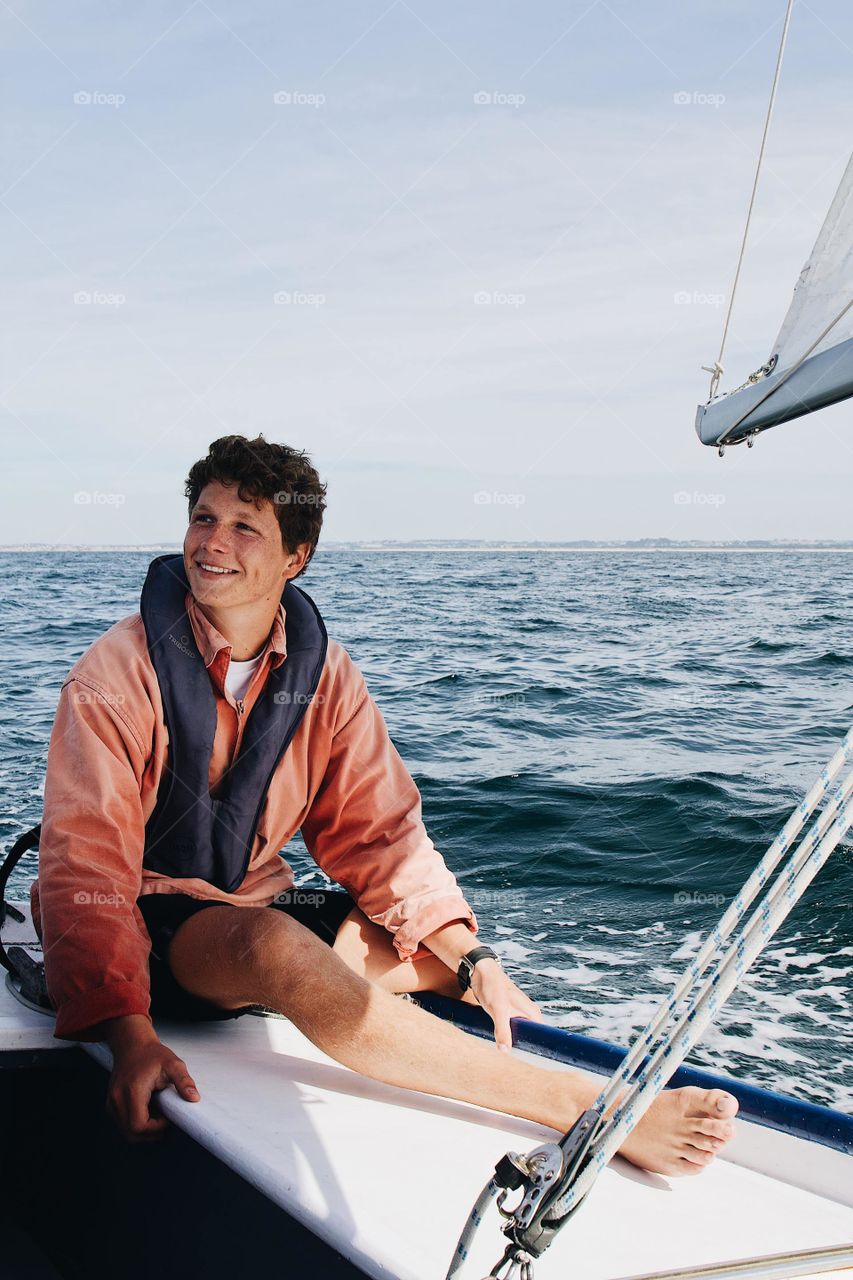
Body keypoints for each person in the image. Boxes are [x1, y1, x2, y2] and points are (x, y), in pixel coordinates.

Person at [31, 434, 737, 1172]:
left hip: (248, 908)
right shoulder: (114, 674)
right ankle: (587, 1111)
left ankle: (518, 1048)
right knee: (275, 948)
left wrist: (474, 960)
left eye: (245, 527)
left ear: (294, 557)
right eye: (203, 519)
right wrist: (126, 1034)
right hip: (151, 926)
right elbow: (87, 865)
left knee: (434, 956)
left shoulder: (324, 677)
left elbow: (383, 838)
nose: (213, 543)